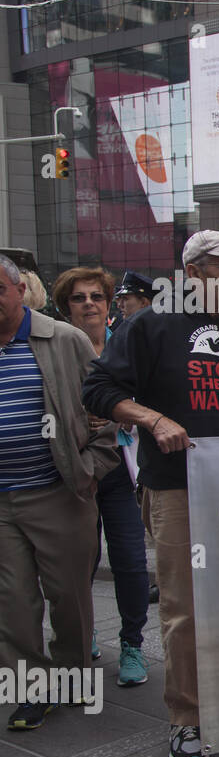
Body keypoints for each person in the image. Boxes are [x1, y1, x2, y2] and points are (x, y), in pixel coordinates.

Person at [83, 230, 219, 757]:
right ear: (193, 274)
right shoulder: (150, 325)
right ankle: (188, 719)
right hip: (177, 490)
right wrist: (153, 420)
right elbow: (99, 390)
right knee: (185, 611)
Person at [0, 256, 118, 729]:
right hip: (2, 502)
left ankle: (72, 676)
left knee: (68, 598)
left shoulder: (62, 339)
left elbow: (106, 411)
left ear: (16, 290)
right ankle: (30, 688)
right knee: (12, 601)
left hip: (59, 492)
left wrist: (91, 470)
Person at [53, 267, 149, 687]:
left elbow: (149, 397)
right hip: (73, 472)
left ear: (109, 304)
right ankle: (85, 630)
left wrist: (121, 412)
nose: (89, 303)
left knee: (130, 559)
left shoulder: (127, 344)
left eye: (97, 296)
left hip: (120, 472)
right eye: (79, 298)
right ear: (64, 307)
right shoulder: (52, 348)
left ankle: (132, 644)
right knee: (78, 562)